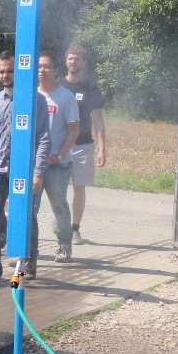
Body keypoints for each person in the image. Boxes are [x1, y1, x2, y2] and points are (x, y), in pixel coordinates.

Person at [0, 51, 50, 288]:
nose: (6, 75)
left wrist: (38, 173)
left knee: (27, 216)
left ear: (20, 70)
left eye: (10, 71)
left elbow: (44, 138)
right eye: (2, 71)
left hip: (23, 172)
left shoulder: (35, 100)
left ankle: (28, 259)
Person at [36, 50, 80, 265]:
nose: (41, 70)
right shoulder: (30, 94)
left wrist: (60, 156)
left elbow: (73, 130)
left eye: (46, 66)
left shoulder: (66, 97)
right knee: (29, 207)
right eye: (39, 66)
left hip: (56, 164)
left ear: (56, 71)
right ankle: (25, 250)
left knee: (59, 206)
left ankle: (64, 245)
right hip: (33, 164)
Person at [62, 44, 106, 245]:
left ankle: (74, 229)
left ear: (84, 63)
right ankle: (61, 223)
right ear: (66, 61)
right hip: (61, 147)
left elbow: (98, 119)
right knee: (57, 187)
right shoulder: (57, 86)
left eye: (77, 59)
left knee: (79, 187)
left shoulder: (91, 87)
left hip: (83, 145)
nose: (73, 62)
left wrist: (102, 148)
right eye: (71, 58)